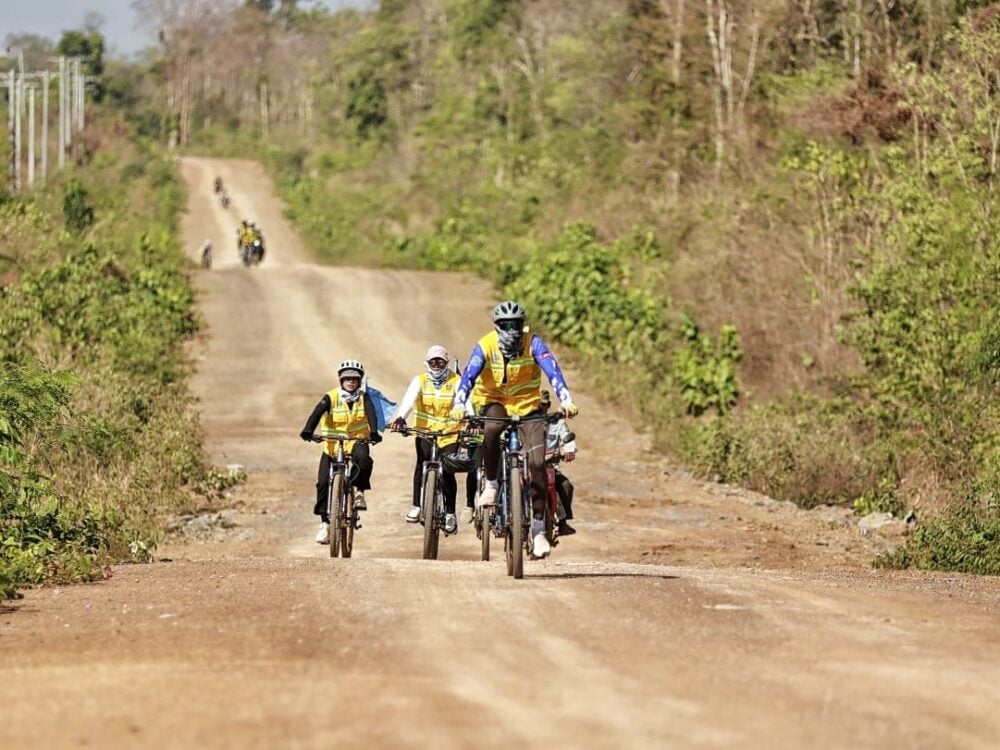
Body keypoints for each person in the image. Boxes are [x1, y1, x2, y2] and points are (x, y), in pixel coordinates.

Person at [449, 300, 578, 559]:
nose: (512, 330)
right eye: (506, 325)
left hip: (528, 407)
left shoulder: (534, 343)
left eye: (516, 324)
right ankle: (493, 484)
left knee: (538, 463)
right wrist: (459, 404)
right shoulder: (485, 346)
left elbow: (553, 372)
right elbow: (468, 377)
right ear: (497, 327)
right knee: (492, 430)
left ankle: (539, 531)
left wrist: (565, 399)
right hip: (495, 403)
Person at [299, 359, 383, 545]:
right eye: (347, 378)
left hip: (356, 442)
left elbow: (372, 415)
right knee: (322, 483)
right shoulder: (331, 397)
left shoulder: (364, 398)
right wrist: (308, 430)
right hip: (332, 446)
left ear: (360, 380)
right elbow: (316, 413)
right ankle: (324, 524)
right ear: (340, 380)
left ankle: (359, 491)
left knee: (364, 460)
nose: (351, 381)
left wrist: (374, 432)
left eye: (354, 378)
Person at [389, 345, 462, 535]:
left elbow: (465, 402)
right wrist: (401, 418)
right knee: (422, 463)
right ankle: (416, 506)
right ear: (427, 363)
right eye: (432, 362)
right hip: (425, 430)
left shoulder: (457, 381)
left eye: (440, 362)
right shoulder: (419, 380)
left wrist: (470, 419)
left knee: (447, 469)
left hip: (449, 432)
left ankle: (450, 514)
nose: (436, 365)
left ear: (446, 363)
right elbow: (408, 401)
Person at [540, 390, 577, 535]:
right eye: (536, 406)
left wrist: (569, 451)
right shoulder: (524, 423)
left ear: (548, 405)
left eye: (542, 405)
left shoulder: (557, 422)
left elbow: (568, 438)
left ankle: (563, 522)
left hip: (549, 467)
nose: (539, 409)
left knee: (566, 485)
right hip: (527, 468)